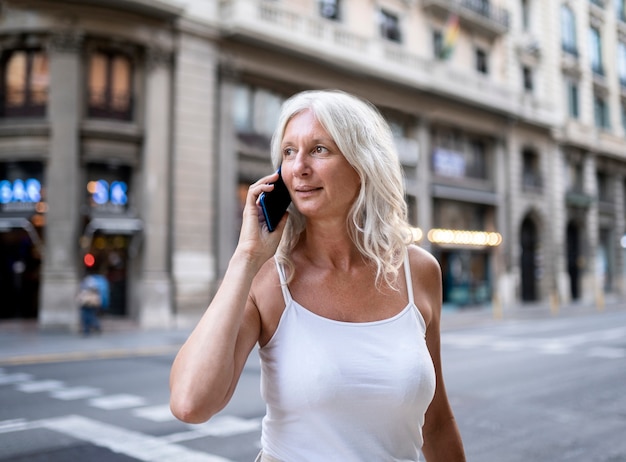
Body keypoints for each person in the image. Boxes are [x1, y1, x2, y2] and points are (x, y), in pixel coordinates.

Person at [170, 90, 466, 461]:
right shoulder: (266, 278)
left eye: (320, 150)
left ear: (363, 165)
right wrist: (245, 258)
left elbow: (435, 421)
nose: (298, 168)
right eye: (289, 152)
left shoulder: (418, 271)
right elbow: (190, 404)